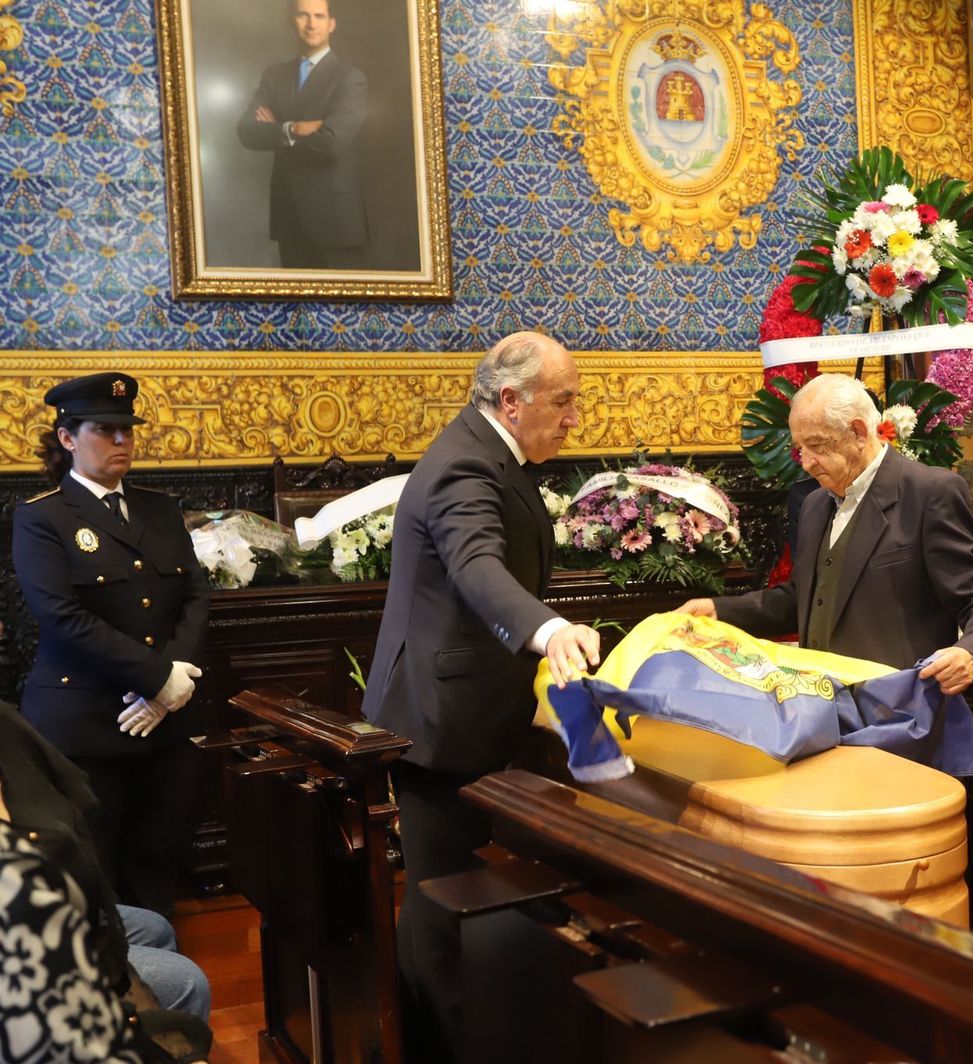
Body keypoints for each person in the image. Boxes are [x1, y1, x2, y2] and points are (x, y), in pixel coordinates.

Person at [362, 331, 602, 1062]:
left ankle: (426, 1032)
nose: (572, 419)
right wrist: (548, 627)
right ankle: (432, 1043)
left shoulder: (490, 448)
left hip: (459, 707)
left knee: (449, 892)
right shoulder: (466, 464)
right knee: (440, 898)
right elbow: (475, 566)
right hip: (439, 721)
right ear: (511, 400)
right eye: (562, 403)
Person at [678, 373, 973, 697]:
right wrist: (718, 610)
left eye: (816, 446)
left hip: (903, 718)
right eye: (800, 449)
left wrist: (971, 655)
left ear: (857, 432)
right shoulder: (813, 505)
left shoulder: (928, 493)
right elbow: (806, 598)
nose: (806, 463)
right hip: (823, 715)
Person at [11, 373, 210, 920]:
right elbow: (61, 616)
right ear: (69, 437)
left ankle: (165, 977)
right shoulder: (42, 517)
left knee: (157, 857)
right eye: (105, 429)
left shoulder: (159, 509)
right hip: (87, 722)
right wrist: (155, 678)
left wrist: (172, 686)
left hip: (164, 721)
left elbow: (195, 594)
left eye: (127, 429)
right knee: (93, 865)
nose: (121, 441)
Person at [0, 702, 212, 1062]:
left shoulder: (7, 728)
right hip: (32, 979)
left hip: (60, 921)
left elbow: (67, 839)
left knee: (153, 927)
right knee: (186, 981)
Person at [235, 0, 368, 269]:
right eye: (303, 15)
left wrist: (276, 131)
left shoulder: (350, 78)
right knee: (297, 310)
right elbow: (247, 131)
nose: (311, 23)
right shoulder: (274, 76)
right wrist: (292, 128)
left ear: (331, 24)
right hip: (288, 214)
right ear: (292, 21)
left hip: (334, 218)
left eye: (319, 16)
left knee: (338, 310)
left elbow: (331, 143)